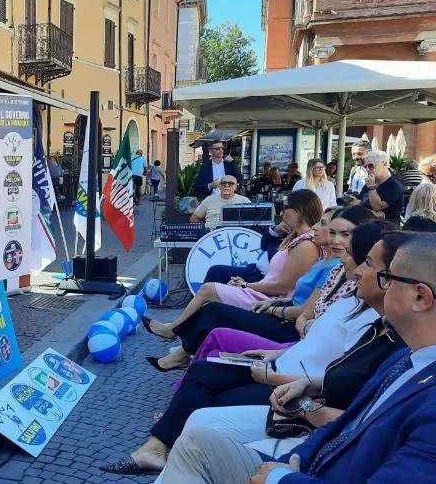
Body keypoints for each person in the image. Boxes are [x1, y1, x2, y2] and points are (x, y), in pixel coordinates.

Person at [147, 233, 436, 484]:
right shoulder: (407, 358)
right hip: (307, 456)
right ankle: (155, 445)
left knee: (201, 429)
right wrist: (294, 456)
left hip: (310, 466)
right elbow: (347, 424)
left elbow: (346, 424)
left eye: (386, 276)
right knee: (199, 435)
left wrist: (282, 476)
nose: (359, 270)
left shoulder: (410, 367)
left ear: (420, 298)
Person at [103, 222, 387, 476]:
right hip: (283, 356)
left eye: (350, 247)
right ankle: (155, 446)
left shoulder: (368, 312)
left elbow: (338, 379)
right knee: (205, 365)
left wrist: (278, 362)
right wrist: (279, 352)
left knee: (214, 334)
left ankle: (170, 432)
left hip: (285, 373)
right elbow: (310, 324)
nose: (336, 243)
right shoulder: (347, 290)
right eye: (330, 229)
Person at [149, 189, 324, 340]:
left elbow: (283, 286)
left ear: (299, 211)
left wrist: (246, 285)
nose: (282, 212)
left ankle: (174, 331)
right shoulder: (296, 238)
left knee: (208, 291)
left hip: (270, 300)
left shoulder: (306, 244)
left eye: (285, 207)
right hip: (262, 289)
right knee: (211, 292)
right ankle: (181, 343)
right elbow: (269, 251)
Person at [348, 149, 404, 223]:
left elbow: (377, 207)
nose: (368, 169)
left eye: (371, 166)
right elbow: (356, 202)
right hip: (367, 225)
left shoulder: (394, 185)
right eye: (365, 167)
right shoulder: (369, 183)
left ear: (384, 164)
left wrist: (372, 187)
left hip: (387, 229)